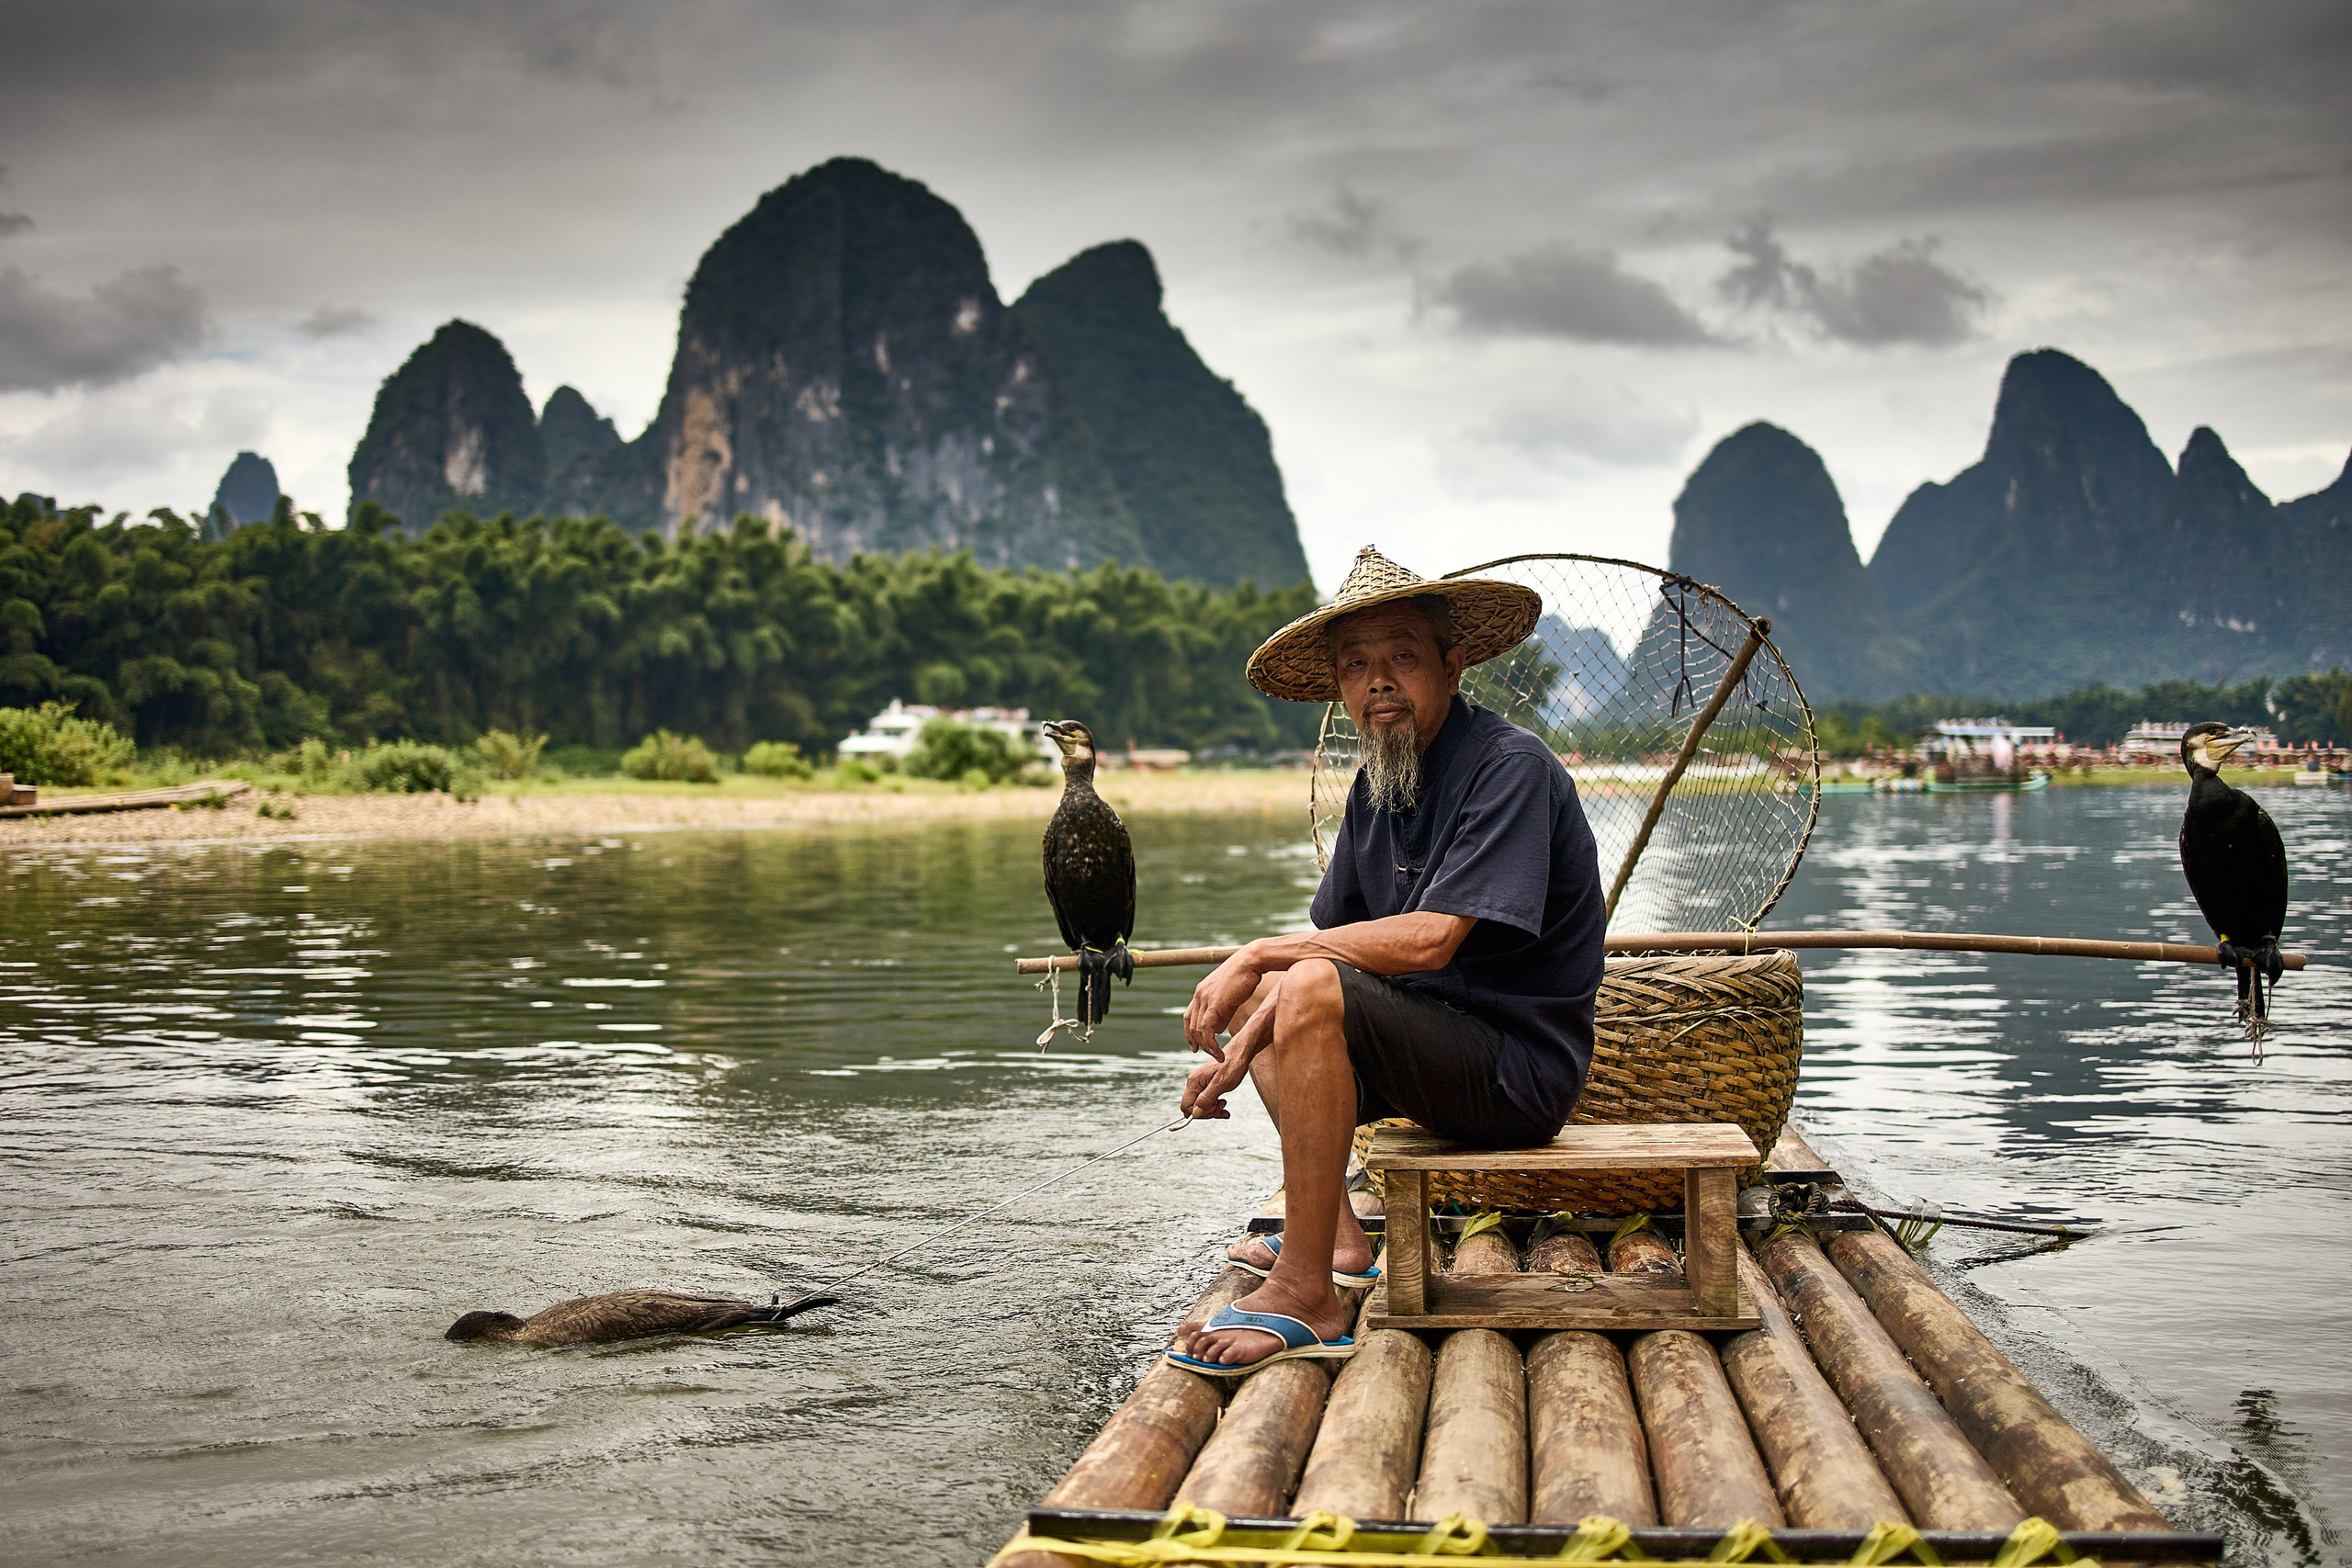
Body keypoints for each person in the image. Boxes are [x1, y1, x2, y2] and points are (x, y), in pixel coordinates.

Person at [1167, 546, 1605, 1376]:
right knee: (1272, 988)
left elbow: (1428, 940)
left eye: (1402, 656)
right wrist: (1238, 1049)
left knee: (1289, 974)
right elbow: (1329, 951)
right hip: (1429, 1054)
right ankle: (1337, 1242)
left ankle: (1307, 1294)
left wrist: (1255, 953)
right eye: (1357, 664)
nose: (1379, 682)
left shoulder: (1510, 767)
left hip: (1515, 1076)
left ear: (1452, 664)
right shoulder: (1377, 785)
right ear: (1338, 686)